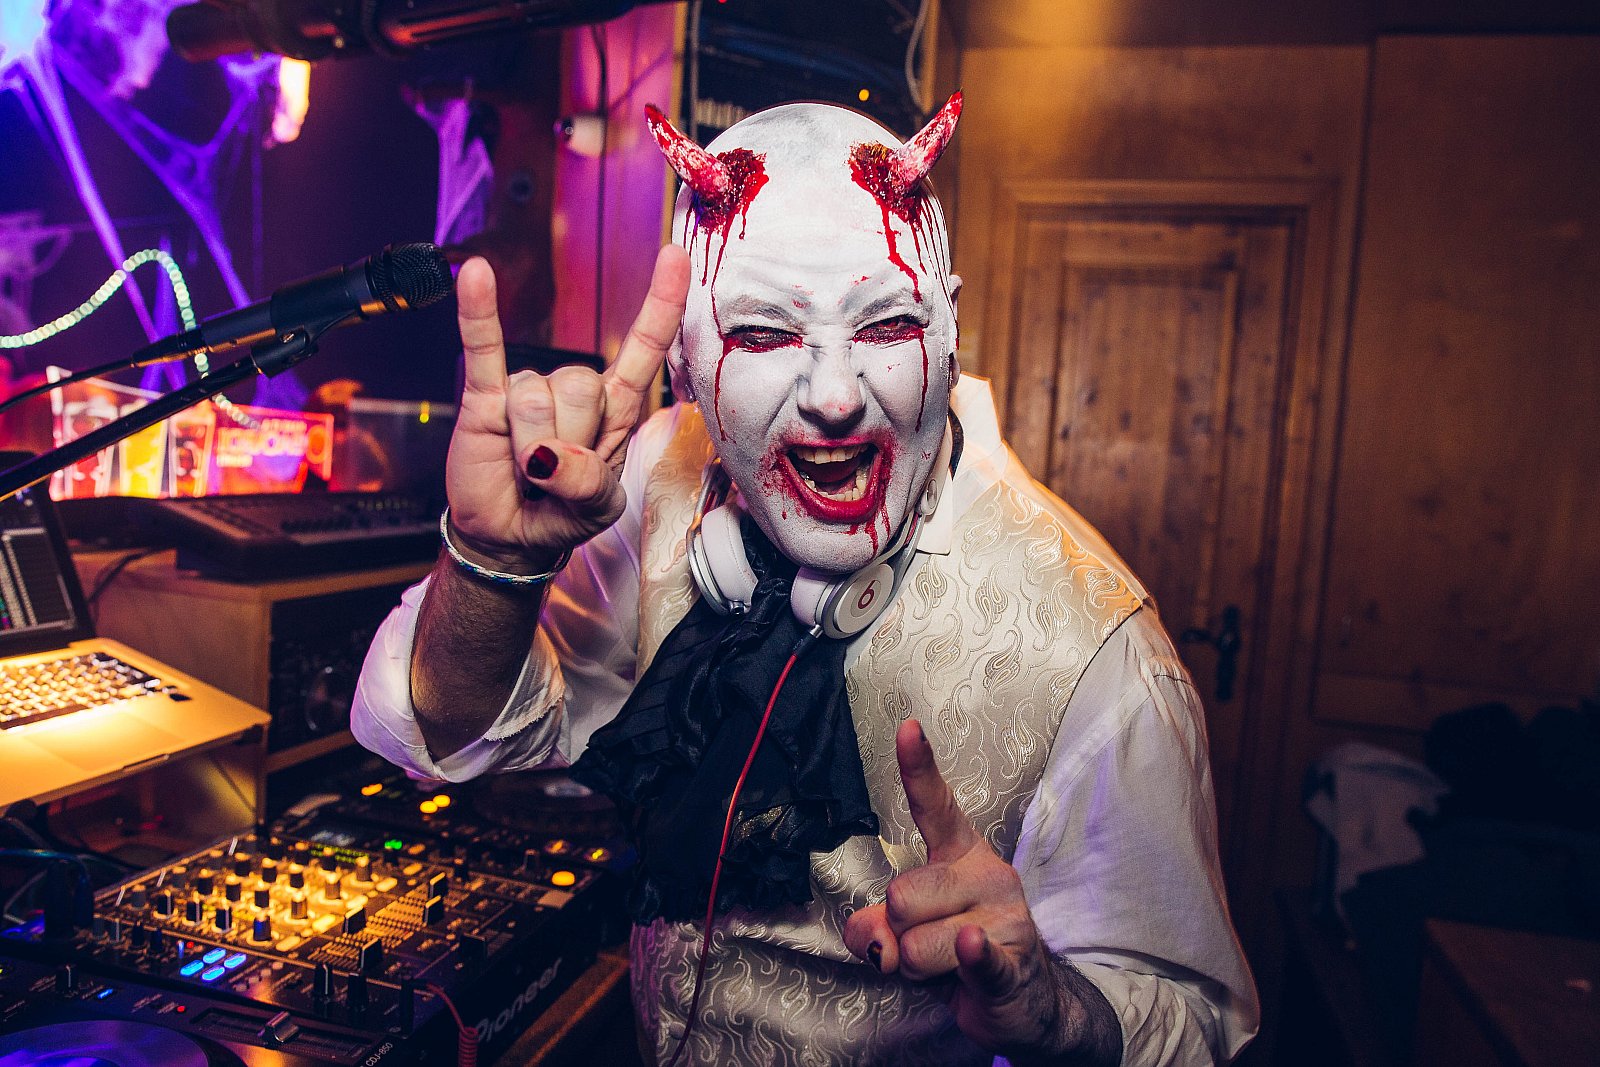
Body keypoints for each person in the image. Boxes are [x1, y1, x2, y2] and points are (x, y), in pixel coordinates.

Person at [352, 94, 1259, 1065]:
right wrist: (495, 565)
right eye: (762, 334)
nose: (833, 395)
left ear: (949, 328)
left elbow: (1197, 1025)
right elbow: (449, 731)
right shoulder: (653, 477)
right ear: (685, 363)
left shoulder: (1098, 651)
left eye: (885, 325)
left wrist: (1052, 1007)